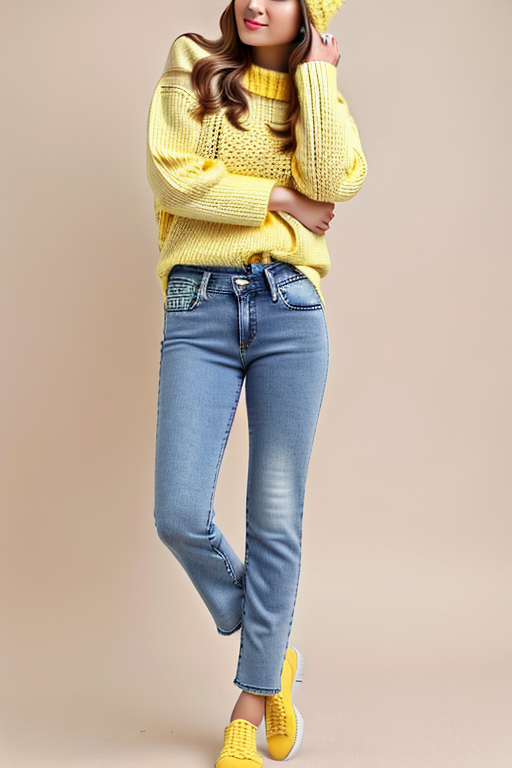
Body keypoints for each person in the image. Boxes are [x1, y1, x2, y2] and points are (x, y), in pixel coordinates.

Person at [146, 0, 367, 764]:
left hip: (290, 309)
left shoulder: (317, 95)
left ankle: (250, 698)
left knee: (275, 516)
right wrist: (280, 199)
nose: (255, 4)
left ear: (311, 10)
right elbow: (175, 180)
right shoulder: (193, 64)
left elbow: (334, 183)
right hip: (198, 303)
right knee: (178, 512)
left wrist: (318, 80)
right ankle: (274, 649)